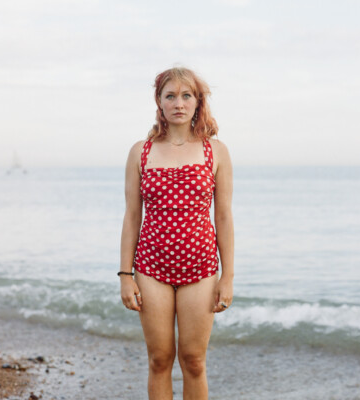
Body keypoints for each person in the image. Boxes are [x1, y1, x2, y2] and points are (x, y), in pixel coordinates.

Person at [119, 66, 234, 400]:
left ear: (198, 102)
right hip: (151, 268)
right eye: (170, 96)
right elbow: (131, 217)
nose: (178, 103)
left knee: (194, 361)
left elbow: (224, 217)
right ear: (159, 101)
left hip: (200, 269)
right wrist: (126, 275)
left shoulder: (216, 151)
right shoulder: (140, 151)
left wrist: (227, 277)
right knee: (159, 359)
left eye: (187, 96)